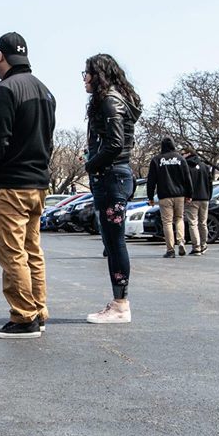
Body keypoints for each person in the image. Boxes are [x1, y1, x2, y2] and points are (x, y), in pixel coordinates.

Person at [0, 32, 56, 339]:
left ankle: (23, 317)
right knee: (32, 251)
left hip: (10, 185)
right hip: (38, 184)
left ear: (1, 56)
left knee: (12, 254)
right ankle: (37, 310)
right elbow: (49, 140)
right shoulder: (45, 91)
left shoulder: (4, 90)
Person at [82, 54, 141, 323]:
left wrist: (91, 165)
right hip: (115, 176)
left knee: (115, 243)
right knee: (112, 241)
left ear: (99, 74)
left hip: (111, 177)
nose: (84, 79)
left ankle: (120, 306)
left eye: (87, 73)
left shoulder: (109, 100)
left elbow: (115, 144)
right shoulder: (118, 99)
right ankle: (119, 303)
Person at [146, 137, 193, 258]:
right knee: (179, 218)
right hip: (179, 195)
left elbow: (151, 180)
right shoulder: (180, 159)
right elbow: (187, 178)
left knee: (167, 222)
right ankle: (181, 241)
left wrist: (150, 197)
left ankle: (170, 249)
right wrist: (189, 194)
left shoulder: (156, 160)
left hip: (164, 195)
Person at [182, 145, 212, 255]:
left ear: (188, 154)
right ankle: (204, 244)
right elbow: (210, 183)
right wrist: (209, 196)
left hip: (192, 198)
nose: (182, 156)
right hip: (205, 198)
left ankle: (196, 246)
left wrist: (186, 196)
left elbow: (185, 183)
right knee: (203, 223)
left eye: (183, 153)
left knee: (192, 223)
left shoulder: (186, 166)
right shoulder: (204, 166)